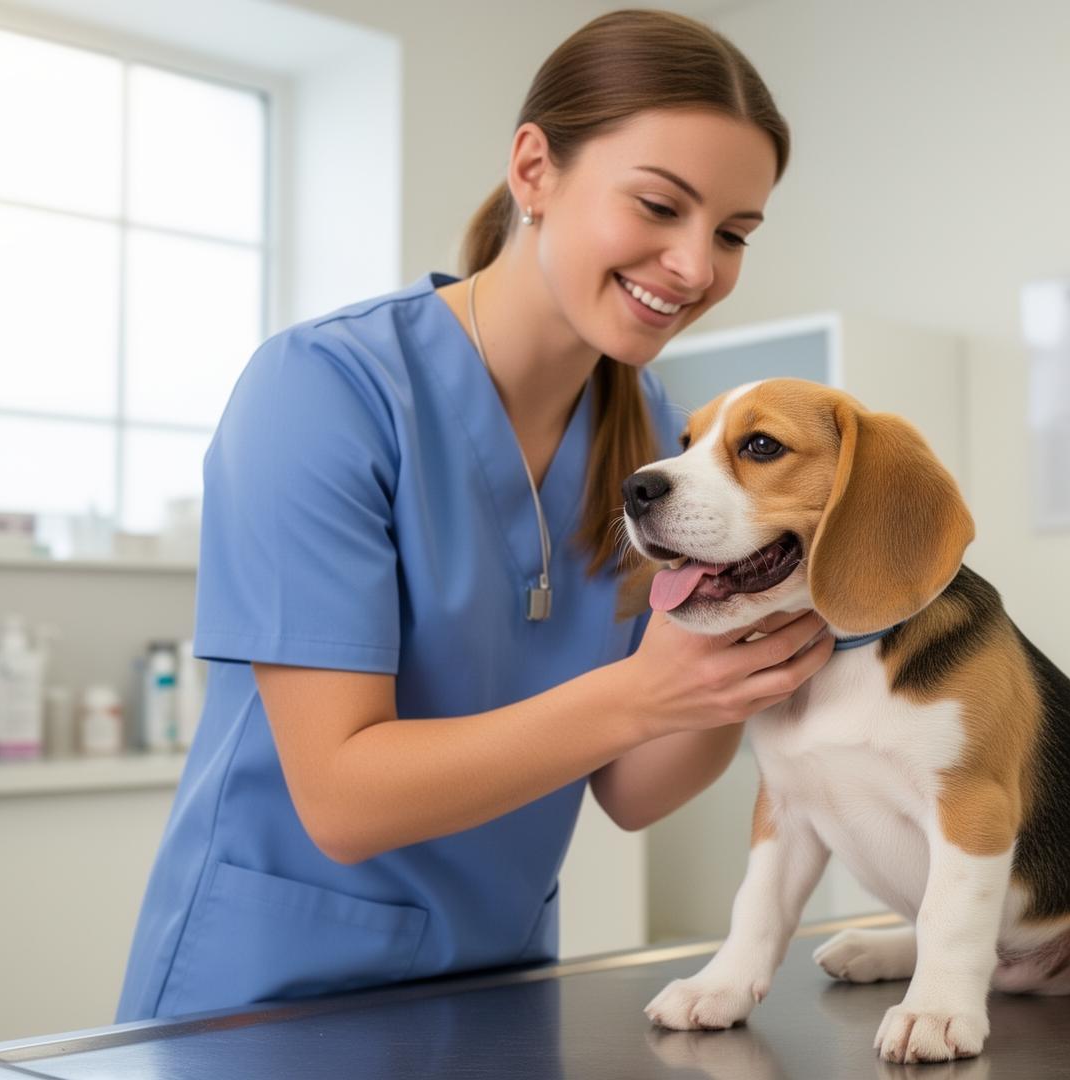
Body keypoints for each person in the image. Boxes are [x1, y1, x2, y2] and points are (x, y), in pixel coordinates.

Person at [116, 9, 832, 1022]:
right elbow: (344, 797)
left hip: (494, 987)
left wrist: (749, 633)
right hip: (267, 1001)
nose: (694, 266)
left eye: (731, 234)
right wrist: (647, 692)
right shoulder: (323, 390)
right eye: (660, 207)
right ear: (533, 170)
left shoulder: (658, 441)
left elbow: (634, 790)